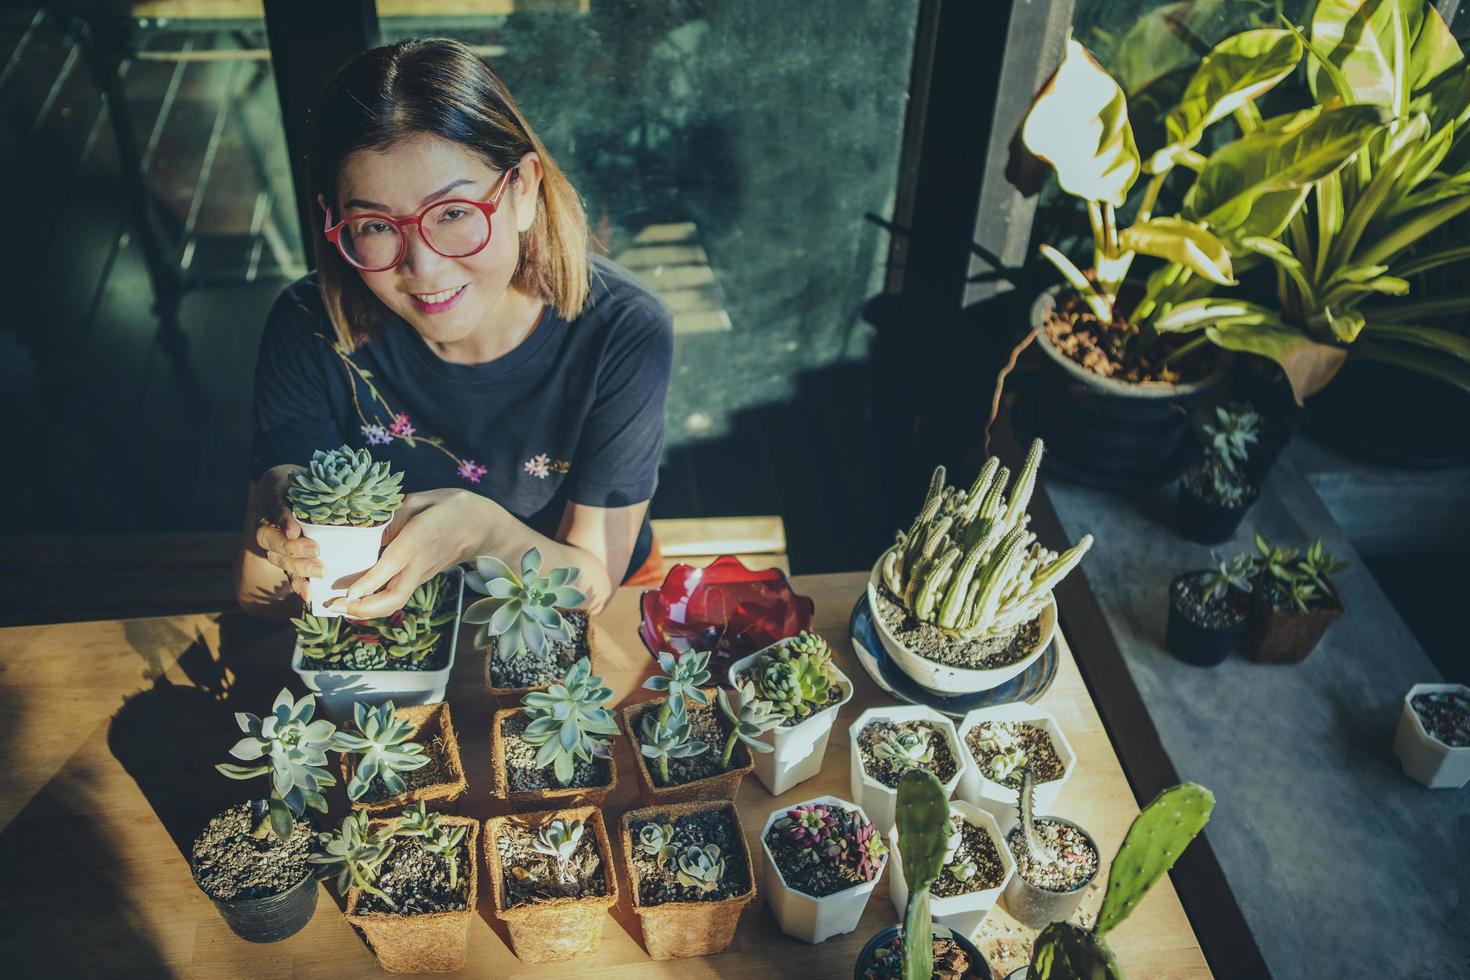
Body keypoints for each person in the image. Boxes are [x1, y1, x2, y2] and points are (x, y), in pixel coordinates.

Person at [233, 38, 673, 621]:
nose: (424, 267)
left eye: (454, 213)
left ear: (522, 190)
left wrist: (483, 534)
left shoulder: (623, 330)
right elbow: (254, 602)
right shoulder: (309, 326)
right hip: (398, 616)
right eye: (373, 225)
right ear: (334, 221)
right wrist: (277, 506)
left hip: (572, 602)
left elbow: (590, 584)